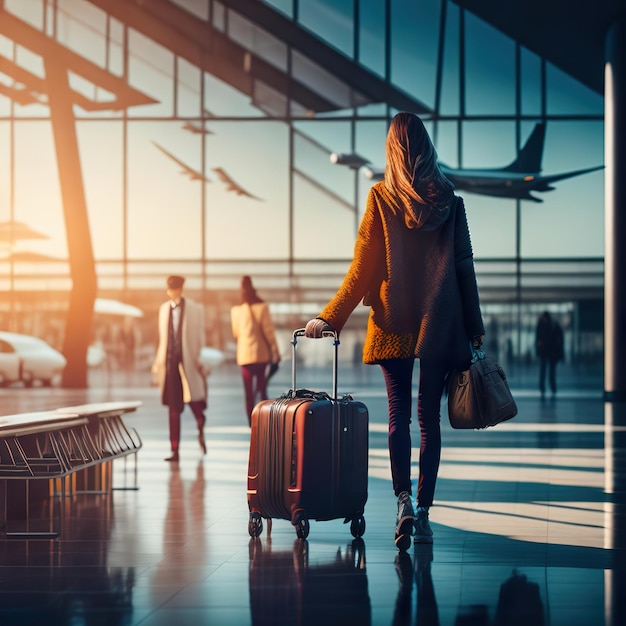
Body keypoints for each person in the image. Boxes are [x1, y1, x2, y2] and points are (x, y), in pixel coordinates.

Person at [305, 112, 484, 550]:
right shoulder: (451, 203)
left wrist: (330, 318)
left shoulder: (381, 199)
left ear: (392, 149)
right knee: (429, 420)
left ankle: (401, 499)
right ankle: (423, 511)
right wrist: (474, 328)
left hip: (393, 320)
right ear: (426, 146)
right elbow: (464, 270)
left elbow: (362, 268)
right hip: (440, 323)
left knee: (397, 415)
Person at [152, 275, 208, 462]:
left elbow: (199, 335)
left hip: (187, 360)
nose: (172, 291)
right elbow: (162, 338)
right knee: (173, 407)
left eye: (175, 288)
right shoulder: (163, 309)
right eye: (170, 288)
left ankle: (200, 420)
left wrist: (200, 357)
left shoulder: (194, 309)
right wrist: (158, 362)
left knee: (191, 399)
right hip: (169, 362)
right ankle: (174, 449)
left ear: (181, 289)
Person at [231, 275, 281, 425]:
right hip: (261, 354)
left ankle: (250, 422)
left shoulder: (236, 310)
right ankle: (263, 421)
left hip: (244, 356)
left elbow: (236, 333)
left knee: (248, 393)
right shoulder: (262, 307)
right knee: (262, 389)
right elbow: (269, 332)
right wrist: (275, 350)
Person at [535, 311, 564, 397]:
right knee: (551, 371)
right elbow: (560, 338)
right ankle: (552, 387)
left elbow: (538, 340)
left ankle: (543, 387)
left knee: (544, 370)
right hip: (552, 352)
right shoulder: (554, 325)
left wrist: (538, 350)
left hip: (545, 352)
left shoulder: (541, 325)